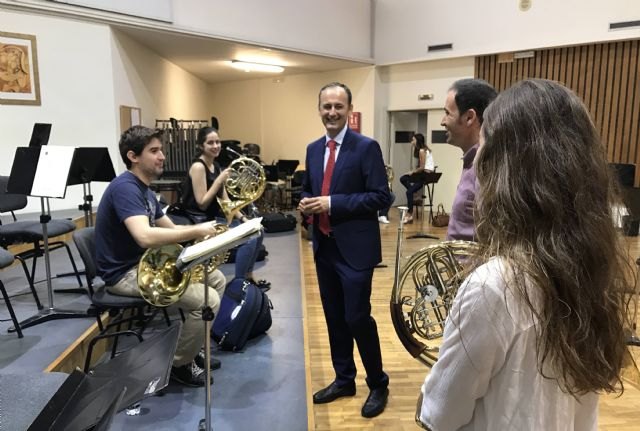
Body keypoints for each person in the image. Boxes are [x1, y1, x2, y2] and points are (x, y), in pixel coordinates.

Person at [418, 79, 630, 430]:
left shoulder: (495, 285)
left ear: (507, 170)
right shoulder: (587, 264)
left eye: (484, 147)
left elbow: (439, 415)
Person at [95, 125, 226, 387]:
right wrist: (197, 229)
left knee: (217, 278)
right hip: (124, 274)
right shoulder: (125, 188)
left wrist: (207, 237)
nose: (162, 156)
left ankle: (193, 347)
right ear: (133, 157)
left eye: (161, 150)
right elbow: (144, 236)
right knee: (207, 301)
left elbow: (173, 229)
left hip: (146, 265)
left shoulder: (145, 190)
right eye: (154, 151)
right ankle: (177, 364)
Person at [298, 82, 393, 418]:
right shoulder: (312, 149)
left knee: (356, 317)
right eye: (326, 106)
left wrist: (332, 203)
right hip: (324, 247)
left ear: (349, 111)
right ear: (319, 108)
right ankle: (344, 379)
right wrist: (306, 203)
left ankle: (378, 382)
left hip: (355, 251)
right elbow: (311, 189)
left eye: (338, 107)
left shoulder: (366, 148)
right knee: (334, 317)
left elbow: (382, 197)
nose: (332, 113)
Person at [179, 126, 270, 291]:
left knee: (258, 229)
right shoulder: (198, 167)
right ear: (201, 146)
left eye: (217, 142)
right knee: (250, 238)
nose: (215, 146)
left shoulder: (216, 166)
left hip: (217, 219)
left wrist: (243, 218)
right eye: (210, 143)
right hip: (201, 223)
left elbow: (226, 201)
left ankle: (248, 277)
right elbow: (202, 202)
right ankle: (239, 283)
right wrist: (219, 180)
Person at [441, 78, 497, 240]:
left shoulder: (485, 167)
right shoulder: (473, 162)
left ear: (469, 117)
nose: (442, 121)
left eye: (447, 113)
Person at [399, 133, 434, 224]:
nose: (412, 142)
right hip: (423, 173)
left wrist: (412, 172)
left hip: (425, 175)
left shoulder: (422, 151)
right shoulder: (424, 149)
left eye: (413, 140)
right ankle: (414, 194)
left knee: (408, 191)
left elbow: (422, 167)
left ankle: (409, 215)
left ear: (417, 141)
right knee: (403, 178)